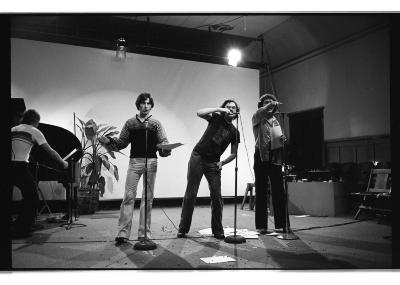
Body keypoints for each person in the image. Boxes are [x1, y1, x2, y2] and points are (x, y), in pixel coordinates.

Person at [99, 93, 171, 246]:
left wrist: (166, 149)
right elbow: (121, 143)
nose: (146, 106)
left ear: (151, 106)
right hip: (135, 162)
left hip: (151, 163)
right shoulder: (130, 123)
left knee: (148, 198)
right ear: (138, 105)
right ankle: (122, 234)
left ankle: (144, 233)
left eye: (148, 104)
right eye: (143, 104)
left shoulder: (155, 124)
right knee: (128, 196)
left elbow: (163, 142)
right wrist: (109, 141)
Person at [177, 99, 240, 240]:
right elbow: (199, 113)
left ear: (237, 112)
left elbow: (234, 153)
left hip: (214, 162)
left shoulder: (235, 132)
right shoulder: (216, 118)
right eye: (227, 107)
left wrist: (222, 163)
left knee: (217, 197)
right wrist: (219, 109)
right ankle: (183, 228)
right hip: (198, 157)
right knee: (191, 194)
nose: (230, 109)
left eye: (233, 108)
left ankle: (217, 230)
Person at [11, 109, 68, 238]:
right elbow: (50, 151)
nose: (38, 125)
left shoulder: (13, 129)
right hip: (19, 166)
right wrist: (63, 162)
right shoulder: (33, 130)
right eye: (38, 122)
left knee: (25, 195)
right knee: (32, 197)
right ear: (34, 121)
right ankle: (22, 228)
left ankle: (20, 224)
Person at [252, 93, 290, 235]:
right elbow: (262, 111)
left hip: (275, 157)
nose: (270, 105)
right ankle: (261, 226)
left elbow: (277, 138)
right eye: (266, 103)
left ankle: (281, 224)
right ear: (261, 106)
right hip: (261, 157)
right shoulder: (257, 117)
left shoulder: (275, 120)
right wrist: (272, 102)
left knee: (278, 191)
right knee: (261, 191)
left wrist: (282, 139)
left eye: (272, 103)